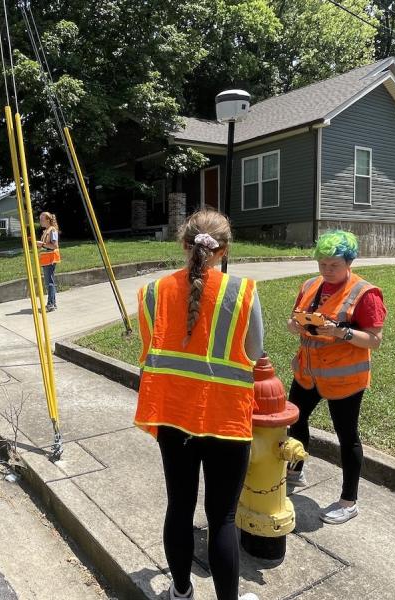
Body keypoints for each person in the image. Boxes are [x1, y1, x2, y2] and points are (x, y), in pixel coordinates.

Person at [134, 209, 262, 600]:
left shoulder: (152, 293)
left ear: (183, 244)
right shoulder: (242, 291)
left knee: (179, 507)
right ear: (223, 250)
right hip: (226, 420)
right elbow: (255, 352)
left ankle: (181, 590)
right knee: (222, 518)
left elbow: (148, 351)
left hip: (172, 418)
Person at [285, 230, 387, 525]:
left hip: (345, 379)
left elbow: (374, 340)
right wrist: (295, 325)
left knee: (347, 436)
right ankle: (295, 469)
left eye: (334, 265)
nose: (327, 271)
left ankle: (349, 501)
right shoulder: (310, 285)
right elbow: (298, 318)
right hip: (307, 371)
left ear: (349, 262)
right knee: (296, 420)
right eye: (323, 264)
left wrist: (341, 332)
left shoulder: (365, 293)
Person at [36, 211, 61, 312]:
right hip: (46, 259)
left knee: (49, 282)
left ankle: (50, 304)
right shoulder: (47, 230)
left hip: (50, 259)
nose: (40, 221)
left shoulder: (52, 230)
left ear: (47, 220)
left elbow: (54, 245)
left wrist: (41, 244)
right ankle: (53, 303)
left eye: (42, 219)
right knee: (49, 282)